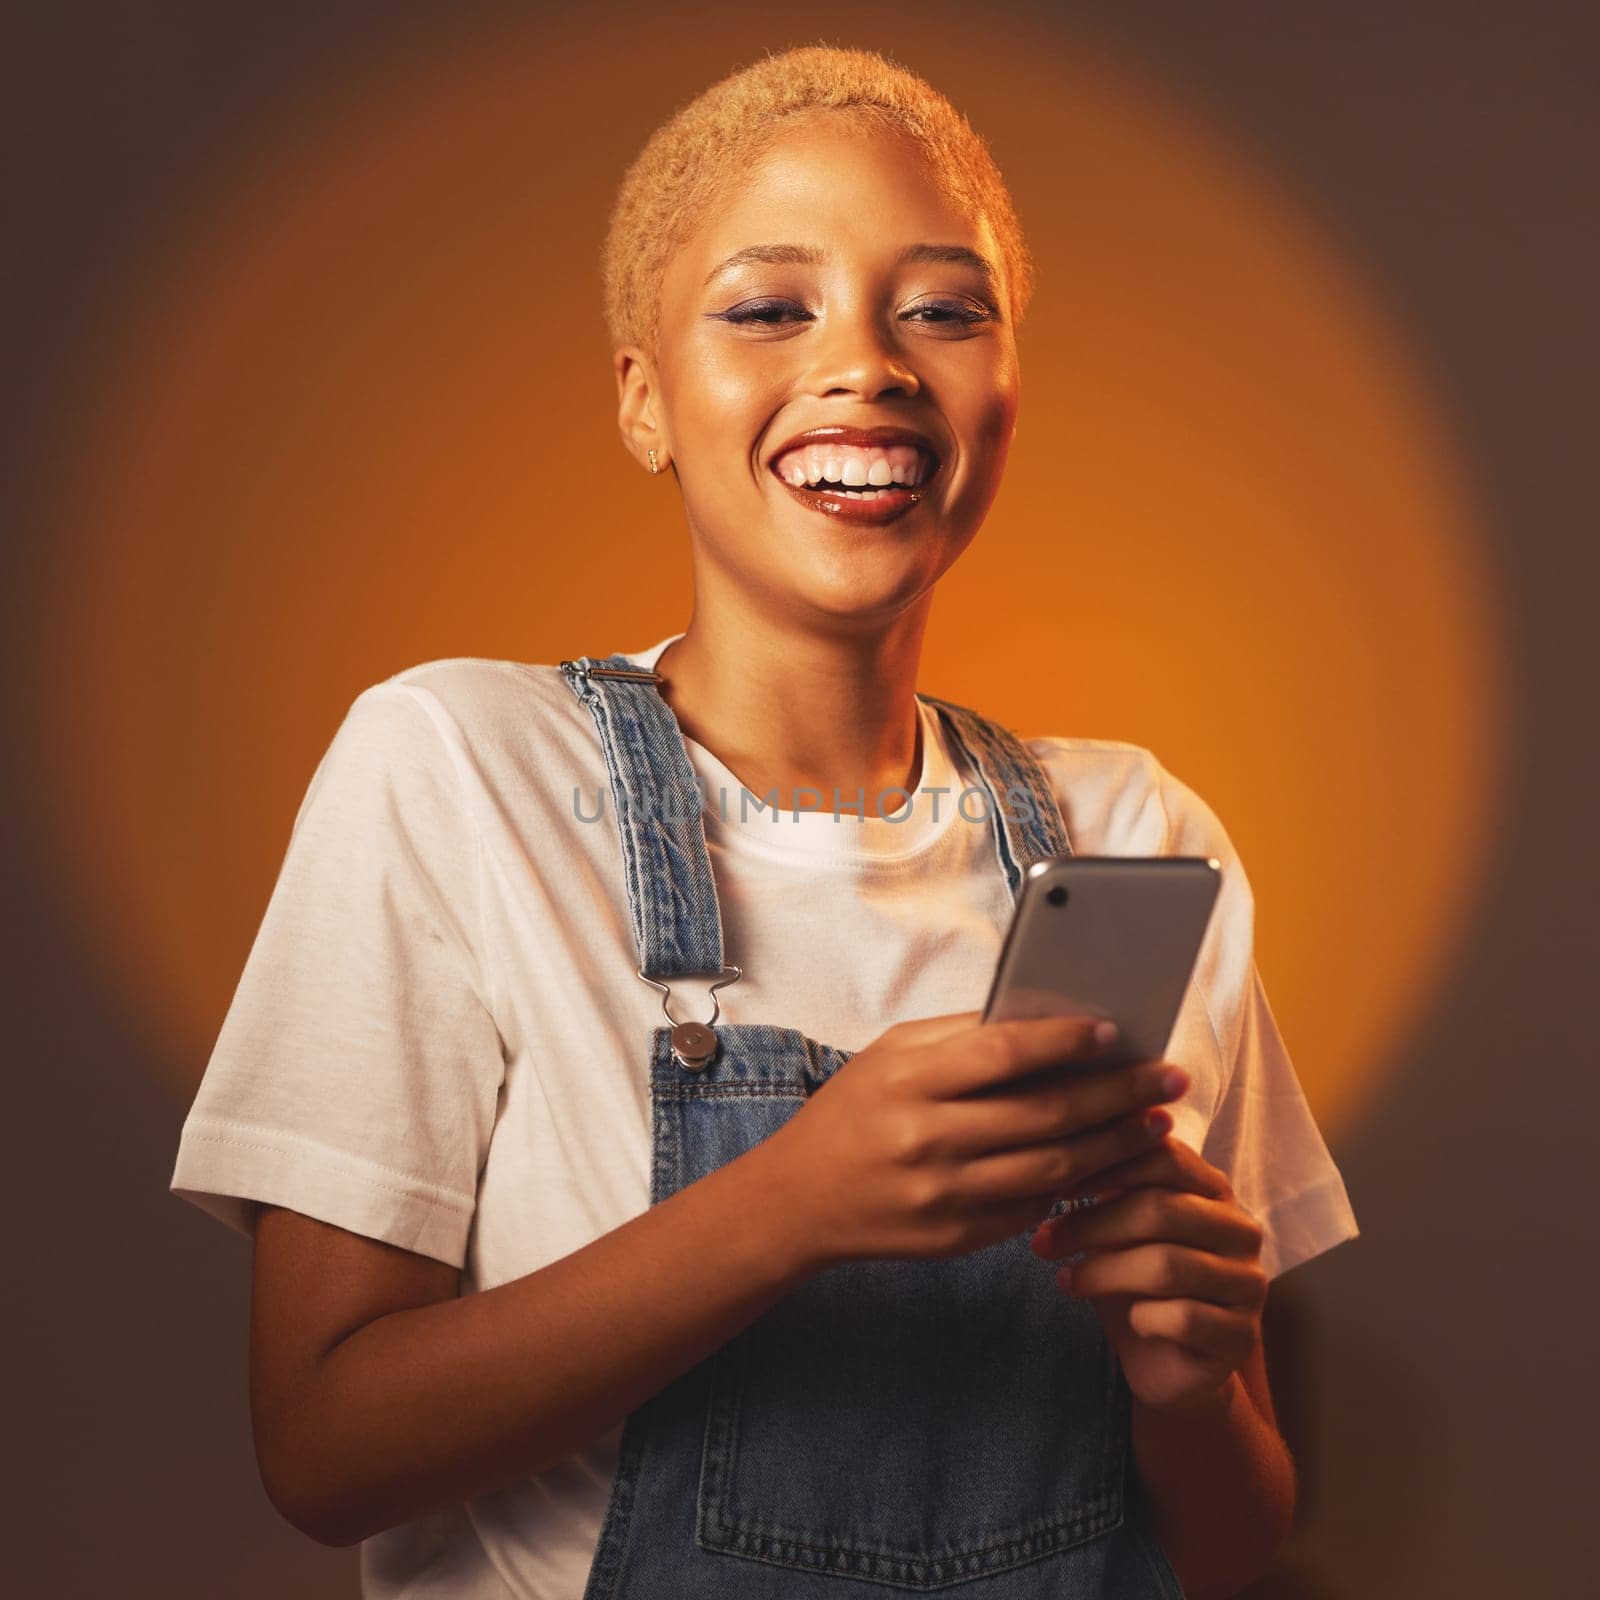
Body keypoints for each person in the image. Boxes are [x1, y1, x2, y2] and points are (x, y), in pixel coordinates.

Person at [169, 42, 1359, 1600]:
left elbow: (1229, 1537)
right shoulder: (458, 769)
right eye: (766, 307)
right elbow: (321, 1452)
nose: (867, 364)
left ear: (1007, 393)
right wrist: (790, 1205)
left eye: (942, 307)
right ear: (646, 400)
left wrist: (1188, 1380)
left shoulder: (1135, 831)